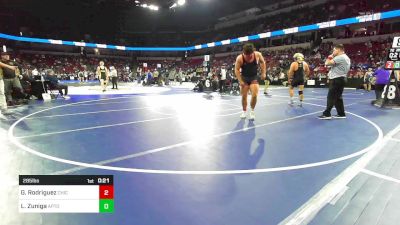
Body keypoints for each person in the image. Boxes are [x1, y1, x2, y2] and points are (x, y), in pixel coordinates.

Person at [235, 43, 266, 120]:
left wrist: (263, 72)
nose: (248, 57)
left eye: (250, 55)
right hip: (244, 78)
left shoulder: (258, 55)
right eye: (246, 55)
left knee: (255, 95)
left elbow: (262, 62)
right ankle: (244, 111)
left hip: (253, 77)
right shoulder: (240, 58)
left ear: (253, 51)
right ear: (244, 52)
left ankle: (252, 111)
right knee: (244, 96)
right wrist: (240, 80)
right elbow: (236, 70)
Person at [318, 44, 351, 120]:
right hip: (340, 78)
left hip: (337, 79)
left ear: (338, 50)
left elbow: (327, 63)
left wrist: (331, 56)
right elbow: (329, 66)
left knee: (331, 97)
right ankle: (341, 113)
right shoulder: (345, 57)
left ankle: (327, 114)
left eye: (334, 50)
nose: (333, 52)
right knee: (337, 98)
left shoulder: (340, 57)